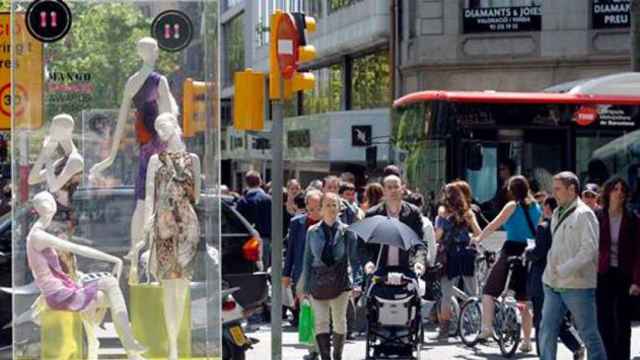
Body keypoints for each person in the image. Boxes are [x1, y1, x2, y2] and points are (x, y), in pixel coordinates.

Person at [539, 171, 606, 360]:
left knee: (588, 334)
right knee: (547, 330)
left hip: (577, 285)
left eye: (558, 189)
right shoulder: (558, 212)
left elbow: (589, 250)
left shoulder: (585, 214)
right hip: (553, 283)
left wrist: (565, 268)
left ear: (572, 189)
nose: (554, 193)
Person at [474, 175, 539, 353]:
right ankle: (527, 341)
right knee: (523, 299)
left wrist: (478, 238)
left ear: (511, 190)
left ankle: (486, 329)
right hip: (529, 252)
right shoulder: (536, 206)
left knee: (489, 291)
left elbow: (494, 225)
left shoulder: (512, 205)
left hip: (511, 250)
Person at [300, 192, 363, 360]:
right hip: (317, 281)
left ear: (339, 208)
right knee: (320, 322)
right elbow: (307, 260)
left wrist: (358, 283)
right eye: (327, 205)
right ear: (321, 209)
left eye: (334, 205)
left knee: (339, 320)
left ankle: (337, 356)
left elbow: (355, 260)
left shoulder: (347, 231)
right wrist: (305, 288)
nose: (331, 208)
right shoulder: (312, 231)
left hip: (340, 281)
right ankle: (325, 357)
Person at [526, 196, 584, 359]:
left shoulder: (544, 228)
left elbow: (539, 253)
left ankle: (544, 355)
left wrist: (528, 252)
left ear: (547, 208)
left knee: (542, 321)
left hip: (544, 278)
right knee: (559, 319)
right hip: (563, 277)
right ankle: (576, 346)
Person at [596, 177, 640, 360]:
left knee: (622, 322)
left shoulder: (632, 219)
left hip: (624, 275)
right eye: (615, 189)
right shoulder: (598, 216)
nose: (619, 193)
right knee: (603, 321)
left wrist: (637, 281)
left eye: (622, 190)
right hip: (602, 274)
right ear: (608, 192)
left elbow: (639, 252)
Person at [433, 184, 479, 340]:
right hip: (466, 253)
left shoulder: (442, 214)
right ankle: (475, 324)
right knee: (472, 291)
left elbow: (437, 237)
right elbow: (479, 233)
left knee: (446, 293)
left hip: (449, 255)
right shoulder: (468, 213)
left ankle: (444, 329)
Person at [283, 190, 323, 360]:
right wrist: (286, 274)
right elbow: (291, 250)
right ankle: (313, 349)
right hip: (302, 274)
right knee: (308, 311)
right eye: (310, 208)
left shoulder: (328, 223)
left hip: (323, 275)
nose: (313, 212)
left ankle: (320, 348)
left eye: (317, 208)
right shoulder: (296, 223)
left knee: (321, 312)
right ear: (305, 206)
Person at [364, 175, 426, 270]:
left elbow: (420, 242)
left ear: (402, 189)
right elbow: (363, 245)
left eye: (396, 187)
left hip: (407, 269)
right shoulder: (373, 214)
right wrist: (368, 261)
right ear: (384, 191)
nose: (393, 190)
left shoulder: (413, 213)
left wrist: (419, 261)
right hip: (379, 270)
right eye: (389, 187)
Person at [236, 170, 272, 269]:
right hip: (265, 239)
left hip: (247, 240)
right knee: (264, 271)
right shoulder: (268, 200)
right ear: (260, 181)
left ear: (246, 183)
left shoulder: (242, 201)